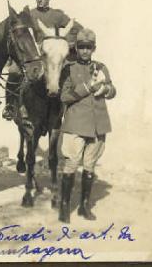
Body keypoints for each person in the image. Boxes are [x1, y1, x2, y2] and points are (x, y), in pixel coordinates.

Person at [57, 28, 116, 223]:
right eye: (81, 47)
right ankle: (65, 208)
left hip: (98, 124)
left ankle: (83, 206)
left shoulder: (101, 67)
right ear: (76, 47)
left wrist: (106, 88)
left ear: (94, 48)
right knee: (71, 165)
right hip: (75, 124)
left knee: (90, 165)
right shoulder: (69, 68)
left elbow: (113, 89)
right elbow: (64, 96)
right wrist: (88, 87)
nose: (84, 51)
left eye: (88, 47)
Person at [2, 0, 82, 120]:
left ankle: (72, 107)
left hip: (52, 55)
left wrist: (65, 42)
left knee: (68, 74)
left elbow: (78, 29)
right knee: (14, 70)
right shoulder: (29, 14)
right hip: (33, 54)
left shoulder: (58, 15)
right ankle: (11, 106)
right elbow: (19, 32)